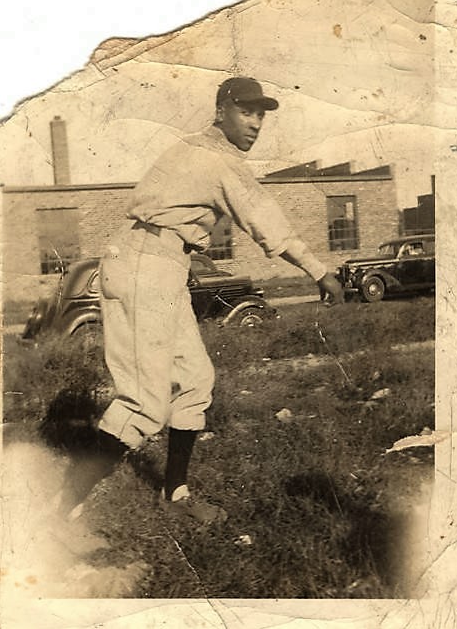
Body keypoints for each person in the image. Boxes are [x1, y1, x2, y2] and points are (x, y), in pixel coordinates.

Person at [64, 76, 343, 524]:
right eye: (245, 111)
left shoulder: (195, 148)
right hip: (143, 266)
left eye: (260, 114)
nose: (255, 123)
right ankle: (58, 511)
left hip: (160, 264)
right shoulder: (216, 160)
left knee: (195, 380)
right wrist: (319, 270)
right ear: (220, 111)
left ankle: (175, 494)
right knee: (145, 403)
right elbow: (265, 220)